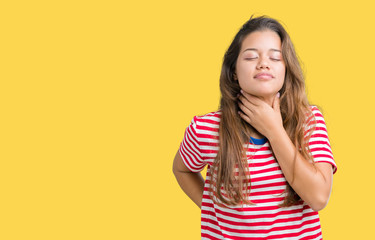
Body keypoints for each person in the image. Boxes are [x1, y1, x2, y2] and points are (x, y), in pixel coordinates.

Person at [173, 15, 337, 239]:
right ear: (233, 72)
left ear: (286, 70)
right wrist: (214, 211)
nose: (263, 62)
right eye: (251, 56)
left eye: (275, 57)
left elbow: (319, 197)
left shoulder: (308, 121)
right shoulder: (206, 128)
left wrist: (274, 130)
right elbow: (182, 169)